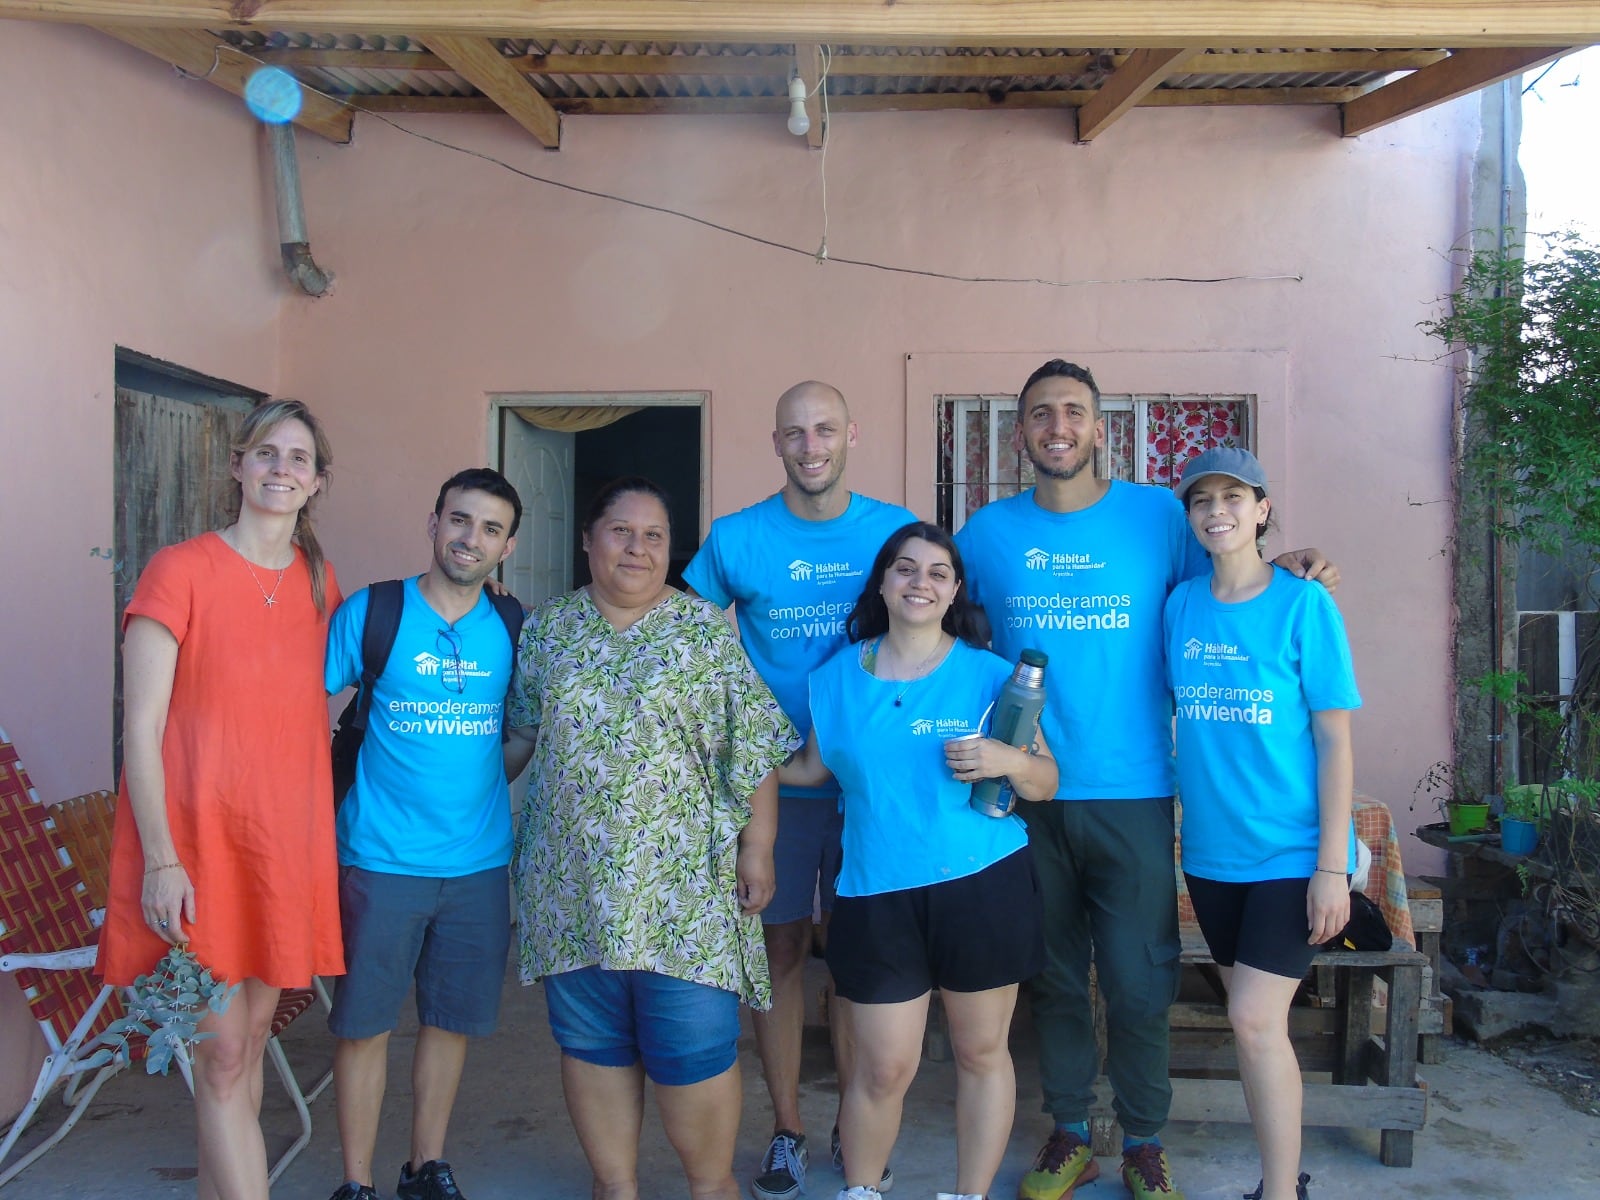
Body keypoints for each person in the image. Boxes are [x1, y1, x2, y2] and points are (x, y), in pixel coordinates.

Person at [954, 360, 1338, 1200]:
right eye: (1041, 413)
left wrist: (1290, 563)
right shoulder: (986, 533)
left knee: (1140, 977)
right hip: (1028, 792)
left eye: (1074, 412)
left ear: (1102, 430)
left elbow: (1231, 574)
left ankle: (1144, 1139)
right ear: (1019, 434)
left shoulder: (1160, 515)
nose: (1058, 426)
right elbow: (950, 626)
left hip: (1132, 790)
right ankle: (1069, 1133)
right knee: (1055, 975)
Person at [504, 476, 799, 1200]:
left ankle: (710, 1186)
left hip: (684, 892)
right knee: (591, 1042)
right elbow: (520, 737)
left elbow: (752, 744)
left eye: (654, 536)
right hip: (572, 886)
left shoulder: (703, 632)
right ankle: (617, 1187)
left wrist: (758, 847)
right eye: (620, 531)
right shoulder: (548, 630)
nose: (637, 548)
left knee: (695, 1046)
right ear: (587, 541)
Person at [97, 399, 343, 1200]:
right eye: (266, 452)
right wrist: (161, 860)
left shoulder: (319, 581)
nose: (281, 469)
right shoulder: (180, 569)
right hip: (192, 849)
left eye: (298, 458)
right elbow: (140, 729)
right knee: (222, 1056)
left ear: (317, 481)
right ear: (238, 465)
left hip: (276, 851)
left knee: (247, 1048)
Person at [683, 380, 915, 1200]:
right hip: (770, 793)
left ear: (852, 434)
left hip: (868, 792)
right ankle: (787, 1128)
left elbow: (944, 620)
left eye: (824, 429)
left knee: (857, 963)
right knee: (776, 955)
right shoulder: (736, 538)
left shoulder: (893, 531)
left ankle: (857, 1125)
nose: (811, 446)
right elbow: (679, 635)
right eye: (795, 433)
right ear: (775, 442)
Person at [782, 522, 1057, 1200]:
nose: (920, 583)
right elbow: (810, 768)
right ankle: (861, 1190)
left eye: (938, 573)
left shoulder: (992, 676)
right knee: (881, 1069)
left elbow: (1046, 782)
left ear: (955, 590)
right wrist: (712, 758)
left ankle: (969, 1194)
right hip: (876, 891)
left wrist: (1007, 759)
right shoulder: (835, 679)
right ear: (882, 582)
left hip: (982, 884)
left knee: (980, 1053)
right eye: (905, 568)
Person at [322, 468, 525, 1200]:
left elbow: (521, 731)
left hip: (477, 867)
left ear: (507, 546)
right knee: (363, 1026)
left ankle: (425, 1168)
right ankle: (356, 1182)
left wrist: (474, 787)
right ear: (434, 523)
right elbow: (299, 704)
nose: (472, 538)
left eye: (491, 528)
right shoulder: (373, 611)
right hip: (380, 861)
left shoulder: (512, 626)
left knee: (449, 1022)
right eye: (460, 520)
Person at [1164, 449, 1359, 1200]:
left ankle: (1281, 1192)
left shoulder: (1305, 605)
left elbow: (1335, 741)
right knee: (1256, 1029)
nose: (1218, 510)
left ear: (1263, 509)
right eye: (1202, 500)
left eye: (1234, 497)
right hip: (1212, 856)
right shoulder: (1180, 605)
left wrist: (1332, 866)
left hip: (1293, 852)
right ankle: (1281, 1180)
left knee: (1251, 1018)